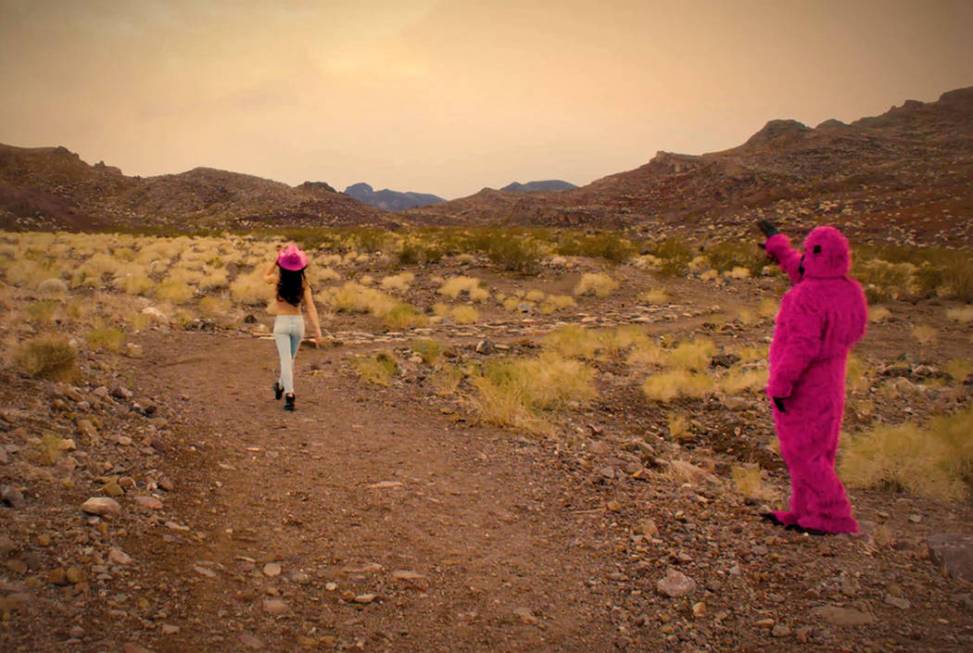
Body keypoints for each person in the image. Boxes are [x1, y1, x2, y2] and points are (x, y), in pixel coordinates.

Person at [757, 221, 867, 535]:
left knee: (802, 451)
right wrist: (779, 247)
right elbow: (805, 271)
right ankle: (805, 511)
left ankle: (834, 515)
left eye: (809, 252)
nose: (803, 258)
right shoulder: (847, 291)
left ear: (817, 254)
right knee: (819, 450)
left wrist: (780, 384)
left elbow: (802, 346)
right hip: (831, 383)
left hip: (804, 386)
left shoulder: (806, 297)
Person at [264, 243, 322, 412]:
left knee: (285, 360)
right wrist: (317, 329)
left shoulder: (278, 280)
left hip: (281, 323)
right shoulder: (304, 282)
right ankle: (281, 386)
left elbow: (265, 275)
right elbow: (310, 307)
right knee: (290, 360)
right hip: (298, 324)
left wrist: (276, 260)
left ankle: (289, 393)